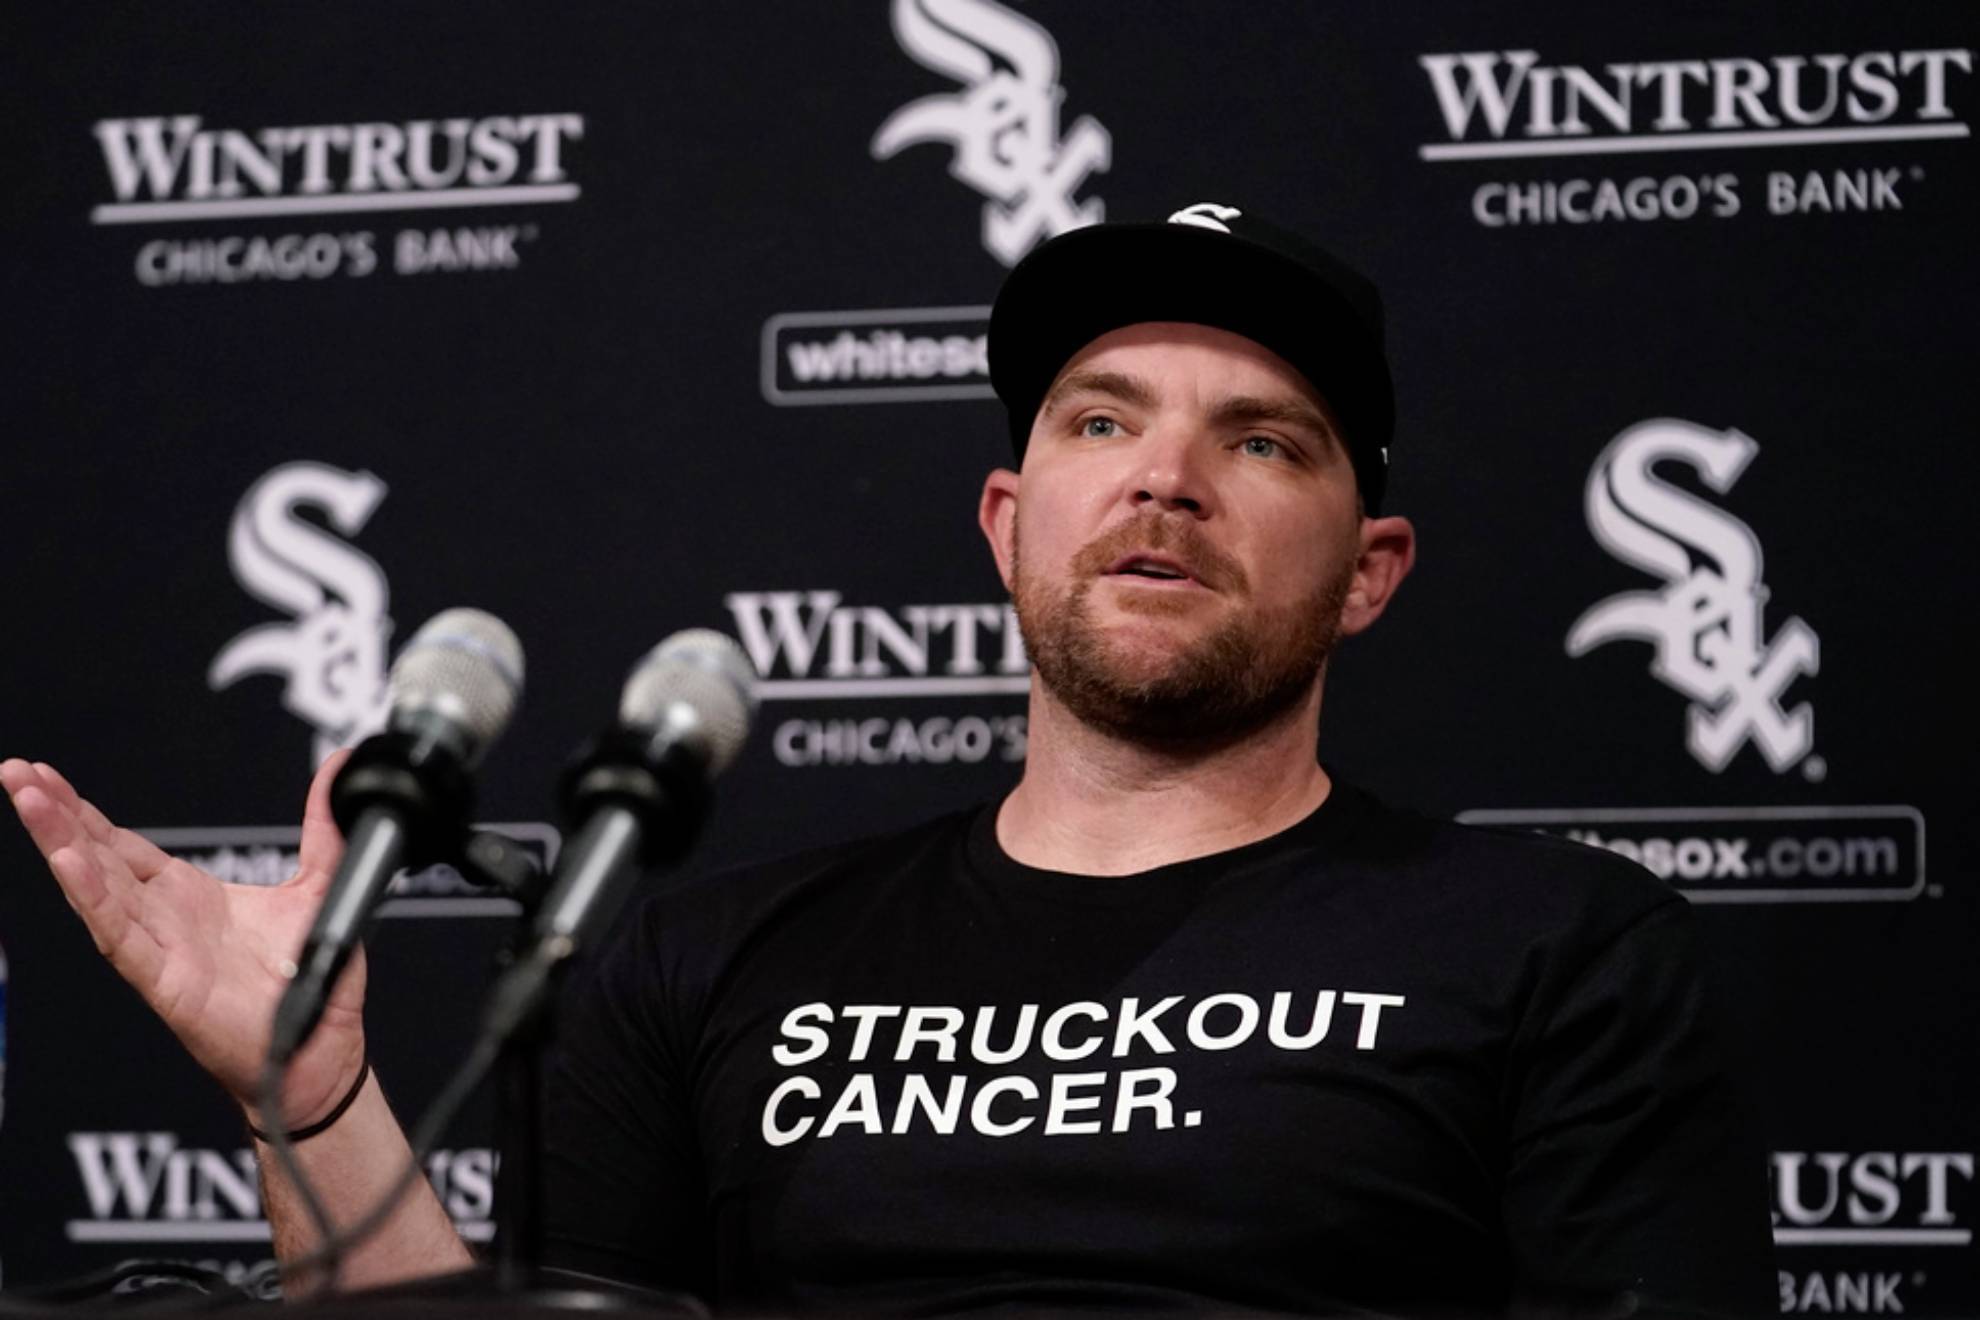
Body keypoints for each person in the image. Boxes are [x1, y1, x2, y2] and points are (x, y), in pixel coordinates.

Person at [3, 203, 1775, 1316]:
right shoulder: (702, 959)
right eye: (1102, 423)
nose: (1166, 479)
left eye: (1265, 443)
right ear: (1012, 522)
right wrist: (306, 1098)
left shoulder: (1558, 945)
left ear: (1369, 570)